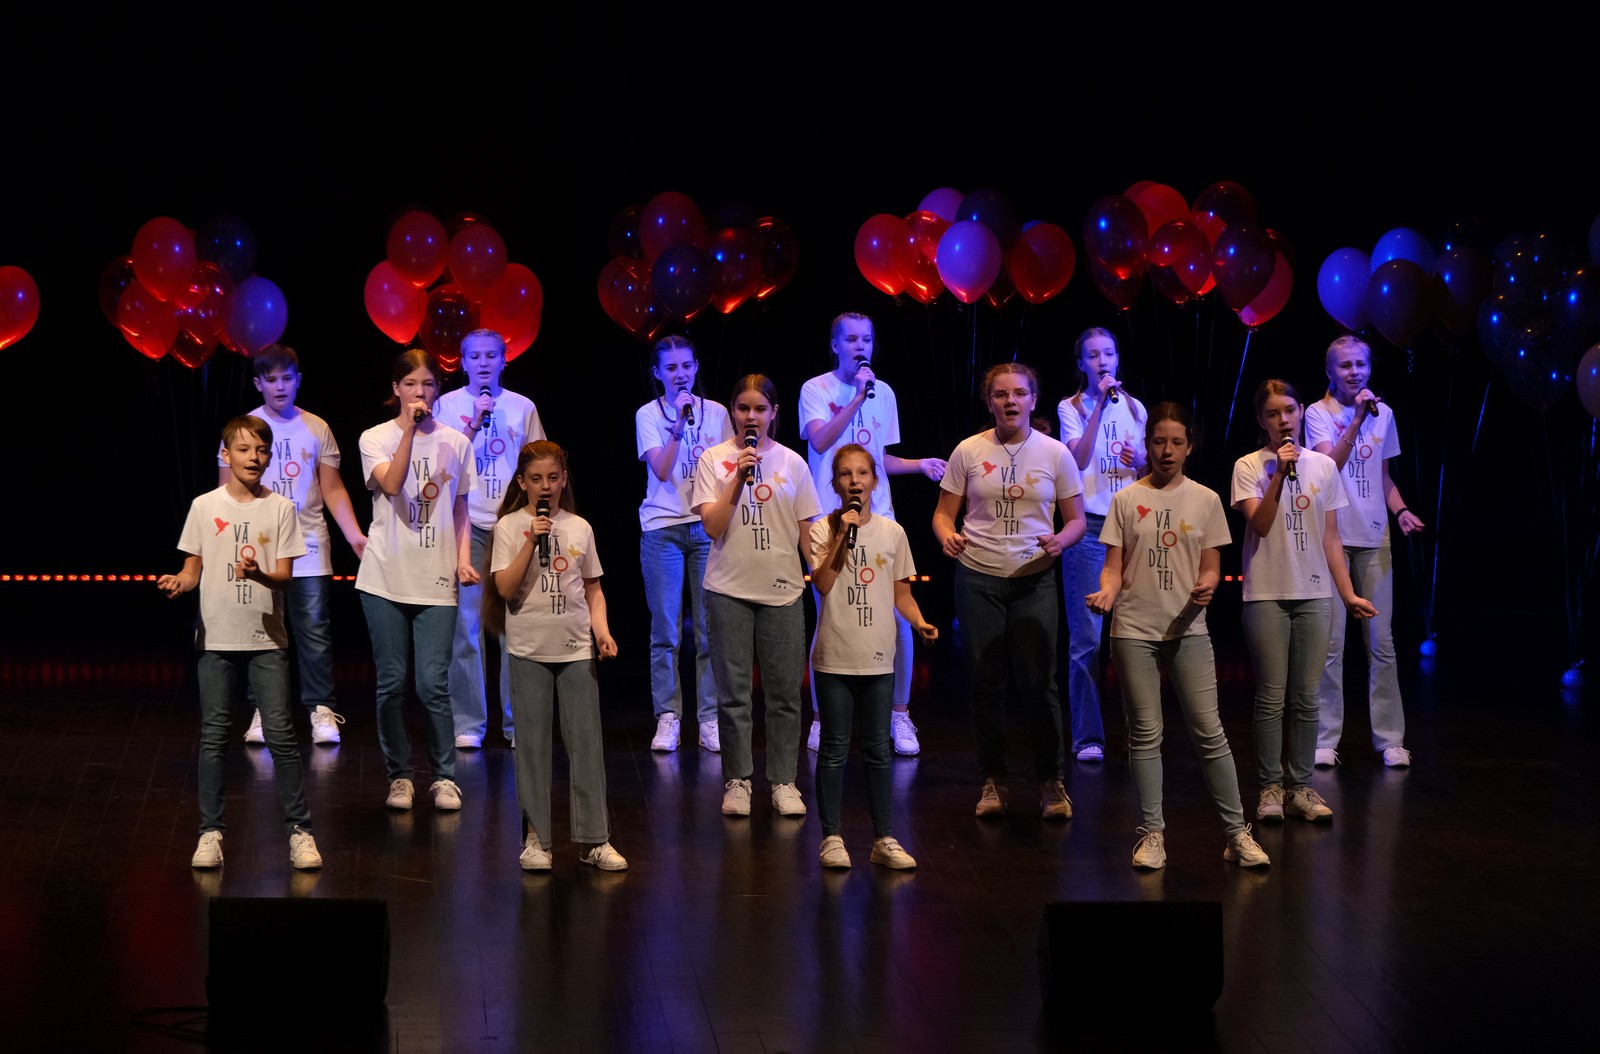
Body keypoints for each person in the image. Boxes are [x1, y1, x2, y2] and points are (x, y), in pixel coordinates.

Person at [1086, 402, 1269, 869]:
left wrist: (1208, 583)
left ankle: (1236, 834)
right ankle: (1152, 834)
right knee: (1145, 734)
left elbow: (1211, 566)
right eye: (1159, 442)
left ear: (1190, 446)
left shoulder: (1206, 499)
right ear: (1147, 445)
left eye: (1176, 442)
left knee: (1210, 732)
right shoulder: (1126, 499)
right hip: (1134, 631)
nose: (1167, 451)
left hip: (1188, 629)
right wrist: (1107, 592)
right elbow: (1113, 567)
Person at [158, 415, 322, 871]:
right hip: (216, 637)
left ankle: (300, 832)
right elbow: (192, 569)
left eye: (261, 450)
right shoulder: (204, 505)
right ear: (226, 455)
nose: (254, 457)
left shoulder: (280, 509)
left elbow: (285, 578)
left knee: (281, 736)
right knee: (214, 736)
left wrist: (259, 574)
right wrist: (180, 582)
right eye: (244, 449)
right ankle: (210, 832)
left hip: (266, 639)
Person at [932, 362, 1086, 819]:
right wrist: (946, 536)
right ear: (989, 401)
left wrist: (1061, 540)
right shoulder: (968, 450)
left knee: (1040, 683)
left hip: (1034, 579)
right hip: (978, 577)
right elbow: (943, 514)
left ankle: (1051, 781)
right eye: (1001, 394)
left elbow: (1076, 520)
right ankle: (993, 780)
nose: (1010, 401)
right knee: (985, 682)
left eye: (1019, 393)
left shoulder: (1056, 453)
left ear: (1033, 400)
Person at [799, 312, 947, 757]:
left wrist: (919, 465)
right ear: (835, 345)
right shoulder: (816, 389)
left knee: (898, 618)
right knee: (829, 618)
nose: (860, 346)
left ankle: (899, 714)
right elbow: (820, 442)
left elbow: (879, 460)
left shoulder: (886, 393)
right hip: (831, 518)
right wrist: (857, 397)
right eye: (851, 339)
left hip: (880, 518)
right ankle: (821, 719)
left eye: (866, 339)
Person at [1232, 379, 1377, 826]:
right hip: (1267, 594)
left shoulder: (1323, 466)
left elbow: (1331, 538)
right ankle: (1270, 787)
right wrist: (1278, 474)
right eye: (1273, 413)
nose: (1284, 420)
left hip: (1315, 593)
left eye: (1290, 410)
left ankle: (1300, 786)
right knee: (1271, 697)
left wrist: (1347, 593)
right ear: (1262, 421)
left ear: (1299, 413)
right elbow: (1260, 524)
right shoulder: (1248, 466)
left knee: (1307, 697)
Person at [485, 440, 626, 871]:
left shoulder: (580, 527)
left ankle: (594, 840)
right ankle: (536, 840)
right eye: (536, 479)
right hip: (528, 650)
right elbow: (504, 588)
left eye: (552, 478)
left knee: (586, 745)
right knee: (531, 747)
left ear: (564, 479)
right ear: (522, 483)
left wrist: (602, 632)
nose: (545, 486)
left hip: (575, 649)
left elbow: (593, 589)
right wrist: (531, 540)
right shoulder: (509, 527)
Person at [220, 344, 366, 747]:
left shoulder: (316, 427)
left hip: (308, 545)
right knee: (262, 631)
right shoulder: (242, 430)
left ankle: (321, 708)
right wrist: (230, 544)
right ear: (258, 383)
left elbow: (332, 488)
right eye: (272, 380)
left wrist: (354, 534)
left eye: (287, 378)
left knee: (314, 631)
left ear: (298, 380)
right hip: (258, 549)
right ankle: (265, 711)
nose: (280, 386)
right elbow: (225, 492)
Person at [691, 375, 822, 819]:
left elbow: (807, 532)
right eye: (744, 408)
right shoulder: (713, 459)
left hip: (782, 590)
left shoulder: (793, 463)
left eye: (760, 409)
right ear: (732, 411)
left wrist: (822, 580)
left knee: (784, 693)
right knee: (734, 694)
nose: (752, 416)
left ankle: (784, 780)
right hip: (727, 589)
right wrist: (737, 477)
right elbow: (713, 526)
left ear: (774, 413)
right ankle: (738, 780)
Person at [356, 348, 478, 812]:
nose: (419, 393)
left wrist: (462, 561)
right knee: (391, 683)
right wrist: (408, 429)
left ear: (438, 389)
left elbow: (461, 509)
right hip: (384, 577)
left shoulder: (457, 443)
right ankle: (399, 777)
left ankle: (444, 777)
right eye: (410, 385)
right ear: (396, 389)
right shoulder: (376, 437)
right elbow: (391, 484)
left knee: (432, 684)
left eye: (428, 384)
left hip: (435, 579)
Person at [810, 444, 938, 870]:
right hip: (834, 656)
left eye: (862, 473)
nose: (855, 481)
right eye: (846, 474)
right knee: (834, 749)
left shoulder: (892, 532)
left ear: (874, 481)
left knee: (879, 750)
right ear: (835, 484)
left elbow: (903, 595)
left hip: (880, 657)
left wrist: (919, 622)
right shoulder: (822, 529)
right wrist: (841, 537)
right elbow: (823, 584)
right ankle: (831, 838)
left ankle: (884, 838)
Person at [1304, 335, 1424, 769]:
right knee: (1331, 645)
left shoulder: (1384, 414)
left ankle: (1390, 739)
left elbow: (1383, 477)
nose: (1355, 372)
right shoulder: (1317, 414)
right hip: (1332, 539)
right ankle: (1324, 738)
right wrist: (1356, 419)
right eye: (1345, 365)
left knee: (1382, 643)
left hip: (1375, 539)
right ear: (1330, 371)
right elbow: (1328, 467)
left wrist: (1402, 510)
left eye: (1361, 364)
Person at [433, 328, 547, 750]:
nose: (483, 363)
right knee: (467, 627)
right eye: (475, 356)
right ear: (463, 363)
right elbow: (444, 463)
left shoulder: (523, 406)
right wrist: (474, 422)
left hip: (512, 525)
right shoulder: (447, 405)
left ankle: (518, 723)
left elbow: (540, 462)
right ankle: (469, 723)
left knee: (515, 625)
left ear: (504, 360)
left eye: (491, 356)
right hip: (467, 524)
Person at [636, 334, 732, 755]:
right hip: (663, 529)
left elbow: (728, 469)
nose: (680, 374)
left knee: (711, 630)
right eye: (671, 368)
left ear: (696, 368)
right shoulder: (648, 414)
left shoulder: (718, 413)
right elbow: (660, 469)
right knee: (666, 630)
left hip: (706, 528)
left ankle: (709, 717)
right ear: (658, 373)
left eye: (686, 366)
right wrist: (677, 424)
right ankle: (668, 716)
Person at [1056, 326, 1146, 763]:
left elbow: (1147, 467)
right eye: (1093, 355)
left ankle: (1140, 734)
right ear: (1081, 364)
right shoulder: (1070, 407)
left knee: (1134, 637)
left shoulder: (1135, 406)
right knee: (1087, 639)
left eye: (1108, 353)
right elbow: (1076, 459)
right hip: (1090, 527)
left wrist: (1140, 459)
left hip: (1131, 526)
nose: (1102, 361)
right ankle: (1088, 737)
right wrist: (1098, 410)